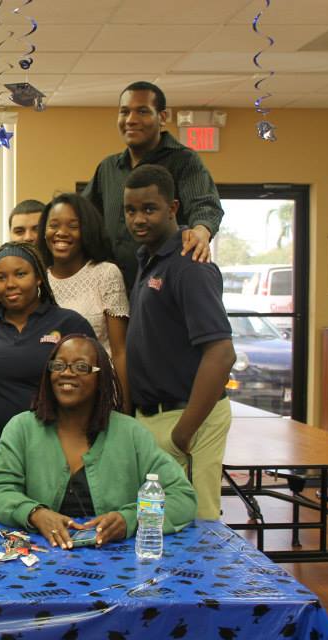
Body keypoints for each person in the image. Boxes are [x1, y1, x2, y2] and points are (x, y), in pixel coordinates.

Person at [0, 335, 196, 548]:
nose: (67, 373)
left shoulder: (131, 434)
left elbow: (182, 498)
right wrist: (34, 513)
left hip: (115, 559)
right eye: (58, 366)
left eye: (81, 367)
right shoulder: (22, 428)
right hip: (40, 556)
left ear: (100, 377)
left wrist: (130, 519)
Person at [124, 164, 235, 521]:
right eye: (130, 210)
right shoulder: (149, 259)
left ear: (173, 208)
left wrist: (182, 434)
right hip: (152, 416)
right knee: (156, 526)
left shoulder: (190, 264)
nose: (138, 219)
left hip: (188, 418)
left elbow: (222, 354)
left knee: (195, 526)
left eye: (149, 209)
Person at [0, 242, 95, 479]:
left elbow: (93, 387)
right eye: (1, 277)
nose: (10, 284)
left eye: (20, 274)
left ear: (39, 277)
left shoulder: (69, 324)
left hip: (55, 449)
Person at [82, 81, 224, 292]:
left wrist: (201, 231)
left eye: (142, 111)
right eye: (124, 112)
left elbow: (205, 205)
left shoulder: (184, 160)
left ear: (162, 117)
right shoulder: (108, 168)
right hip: (111, 290)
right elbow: (82, 214)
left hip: (162, 288)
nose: (131, 120)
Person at [37, 193, 130, 411]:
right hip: (51, 399)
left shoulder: (105, 274)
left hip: (100, 397)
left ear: (87, 231)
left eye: (73, 226)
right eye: (54, 225)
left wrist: (125, 408)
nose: (61, 232)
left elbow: (119, 351)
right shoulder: (38, 280)